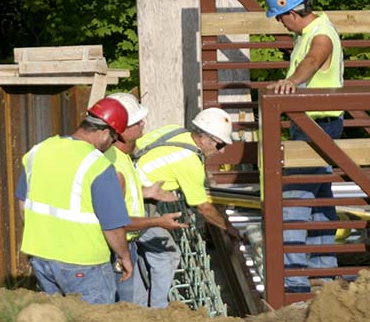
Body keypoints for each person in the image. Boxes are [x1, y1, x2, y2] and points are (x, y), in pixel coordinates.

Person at [263, 0, 345, 292]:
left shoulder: (320, 35)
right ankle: (325, 272)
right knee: (321, 198)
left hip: (317, 126)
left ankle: (294, 279)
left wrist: (293, 82)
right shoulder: (310, 31)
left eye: (280, 17)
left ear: (292, 12)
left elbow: (313, 60)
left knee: (295, 199)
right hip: (315, 125)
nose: (281, 23)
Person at [19, 97, 133, 305]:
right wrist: (124, 257)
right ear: (106, 133)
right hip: (84, 263)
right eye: (115, 139)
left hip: (41, 256)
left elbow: (23, 203)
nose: (112, 145)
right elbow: (112, 226)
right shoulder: (97, 165)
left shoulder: (40, 151)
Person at [132, 107, 241, 308]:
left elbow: (138, 145)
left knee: (140, 254)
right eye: (220, 144)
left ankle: (137, 306)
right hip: (137, 205)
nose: (222, 151)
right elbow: (203, 208)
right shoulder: (189, 161)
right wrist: (229, 228)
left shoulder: (175, 131)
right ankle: (158, 311)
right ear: (204, 138)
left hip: (131, 189)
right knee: (167, 256)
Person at [103, 92, 187, 303]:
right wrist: (158, 222)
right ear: (120, 129)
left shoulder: (121, 157)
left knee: (136, 308)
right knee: (129, 309)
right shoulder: (113, 165)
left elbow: (118, 195)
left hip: (127, 244)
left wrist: (146, 192)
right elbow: (114, 221)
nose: (143, 123)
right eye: (136, 121)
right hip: (117, 247)